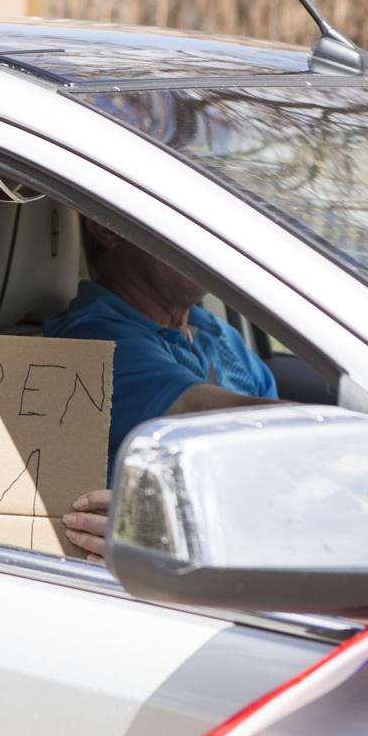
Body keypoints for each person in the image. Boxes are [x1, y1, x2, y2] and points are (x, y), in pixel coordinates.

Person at [47, 217, 278, 563]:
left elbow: (280, 461)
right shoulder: (95, 342)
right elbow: (202, 412)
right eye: (181, 218)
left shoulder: (220, 335)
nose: (206, 235)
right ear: (108, 228)